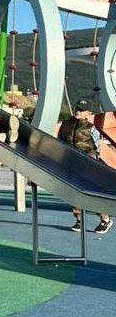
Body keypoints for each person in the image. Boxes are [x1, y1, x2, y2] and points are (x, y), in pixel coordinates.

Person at [59, 99, 112, 234]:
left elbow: (96, 145)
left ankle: (105, 219)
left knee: (91, 193)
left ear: (88, 113)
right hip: (70, 161)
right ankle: (79, 220)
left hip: (87, 162)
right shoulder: (65, 124)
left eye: (82, 110)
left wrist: (93, 160)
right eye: (77, 108)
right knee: (73, 193)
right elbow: (60, 140)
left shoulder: (90, 127)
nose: (78, 111)